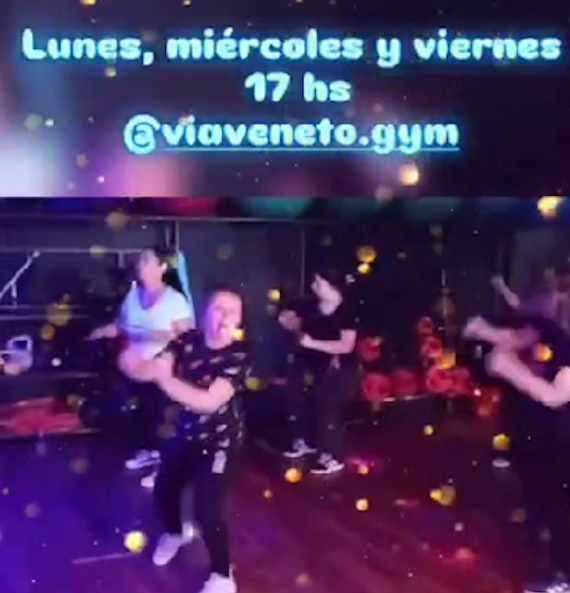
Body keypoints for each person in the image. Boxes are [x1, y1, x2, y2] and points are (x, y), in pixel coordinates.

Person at [144, 285, 250, 593]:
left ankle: (223, 576)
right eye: (218, 308)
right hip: (185, 434)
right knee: (164, 490)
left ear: (240, 320)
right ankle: (176, 534)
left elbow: (207, 402)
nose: (224, 317)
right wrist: (139, 365)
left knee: (208, 509)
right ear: (204, 314)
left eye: (232, 311)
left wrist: (164, 379)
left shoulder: (240, 355)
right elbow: (155, 365)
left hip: (221, 442)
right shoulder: (187, 339)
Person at [464, 315, 570, 593]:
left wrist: (509, 369)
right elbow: (531, 333)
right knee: (556, 503)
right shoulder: (550, 323)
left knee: (561, 506)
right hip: (553, 437)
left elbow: (557, 395)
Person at [88, 246, 195, 487]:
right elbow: (122, 326)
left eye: (146, 260)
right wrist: (102, 331)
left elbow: (189, 339)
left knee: (164, 420)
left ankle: (166, 471)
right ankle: (150, 452)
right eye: (140, 260)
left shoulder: (175, 301)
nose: (140, 265)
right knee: (141, 415)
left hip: (163, 371)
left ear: (162, 267)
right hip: (135, 370)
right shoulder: (132, 297)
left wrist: (164, 340)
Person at [278, 269, 358, 475]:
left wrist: (312, 343)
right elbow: (286, 317)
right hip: (310, 366)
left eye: (319, 283)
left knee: (326, 406)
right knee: (297, 396)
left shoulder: (347, 312)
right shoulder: (309, 305)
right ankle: (306, 441)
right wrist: (293, 323)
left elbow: (346, 345)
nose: (314, 286)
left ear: (333, 287)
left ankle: (331, 456)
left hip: (339, 369)